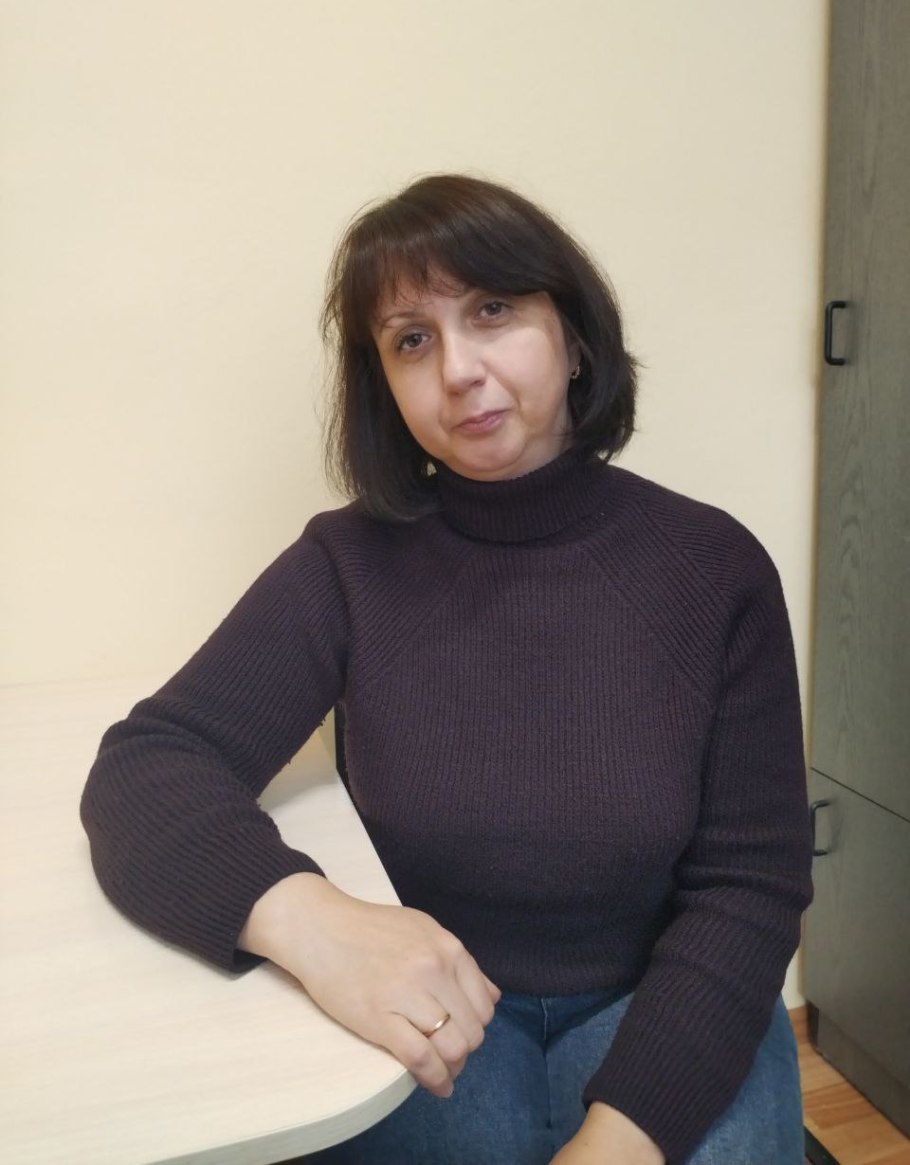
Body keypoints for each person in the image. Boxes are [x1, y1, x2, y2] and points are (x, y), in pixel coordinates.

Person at [80, 173, 813, 1165]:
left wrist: (622, 1140)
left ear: (574, 335)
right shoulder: (346, 564)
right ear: (381, 382)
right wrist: (311, 920)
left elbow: (752, 884)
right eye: (412, 340)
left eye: (493, 311)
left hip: (665, 1002)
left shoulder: (713, 567)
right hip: (434, 1012)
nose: (459, 369)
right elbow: (149, 764)